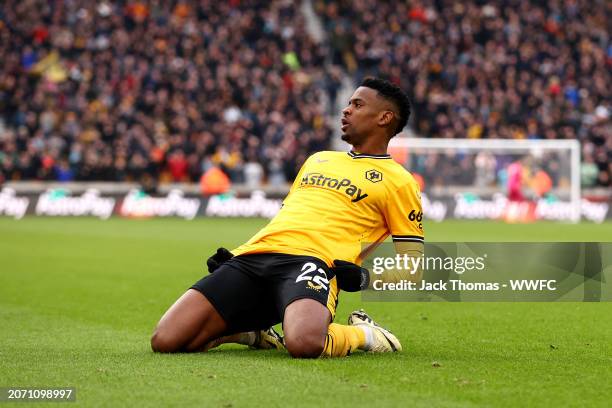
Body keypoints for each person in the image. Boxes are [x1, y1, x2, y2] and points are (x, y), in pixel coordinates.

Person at [151, 78, 424, 358]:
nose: (346, 110)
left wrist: (365, 278)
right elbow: (289, 218)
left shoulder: (400, 182)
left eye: (357, 104)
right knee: (166, 340)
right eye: (348, 103)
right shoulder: (318, 159)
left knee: (305, 344)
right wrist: (236, 255)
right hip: (256, 255)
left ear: (385, 117)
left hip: (314, 262)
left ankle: (366, 334)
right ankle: (250, 332)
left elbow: (412, 267)